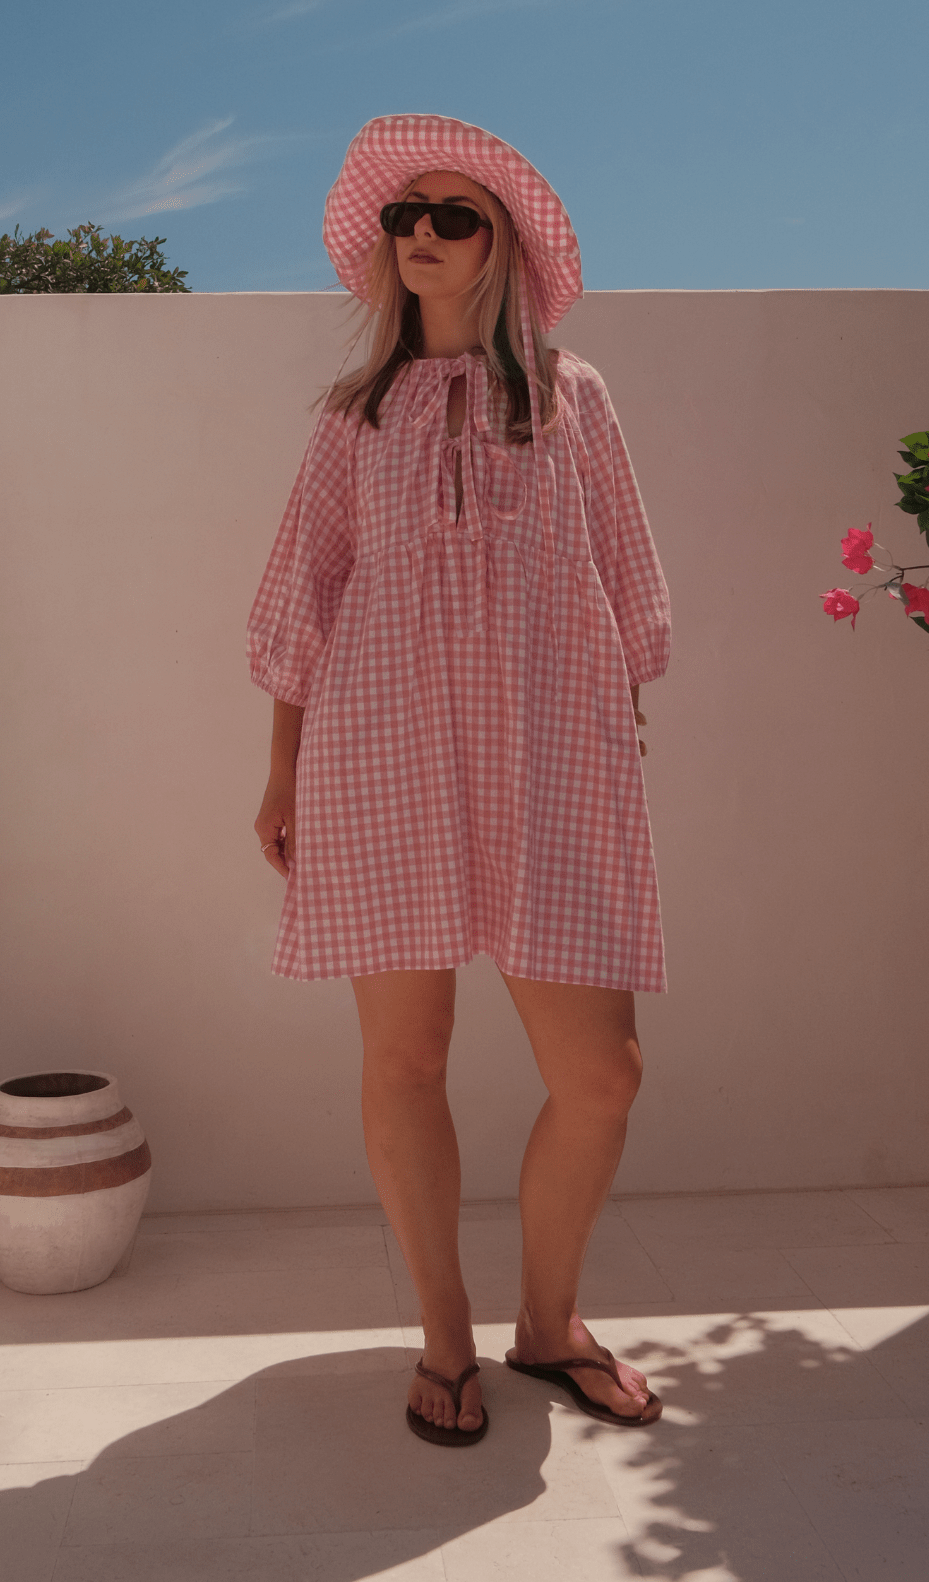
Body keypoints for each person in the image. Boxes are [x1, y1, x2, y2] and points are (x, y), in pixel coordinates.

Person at [248, 115, 670, 1445]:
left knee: (600, 1074)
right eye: (403, 217)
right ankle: (445, 1332)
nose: (420, 233)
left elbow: (626, 580)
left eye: (453, 215)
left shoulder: (573, 396)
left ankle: (550, 1325)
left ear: (502, 248)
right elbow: (303, 599)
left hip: (548, 754)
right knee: (405, 1055)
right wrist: (281, 775)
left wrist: (616, 723)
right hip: (381, 753)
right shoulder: (352, 417)